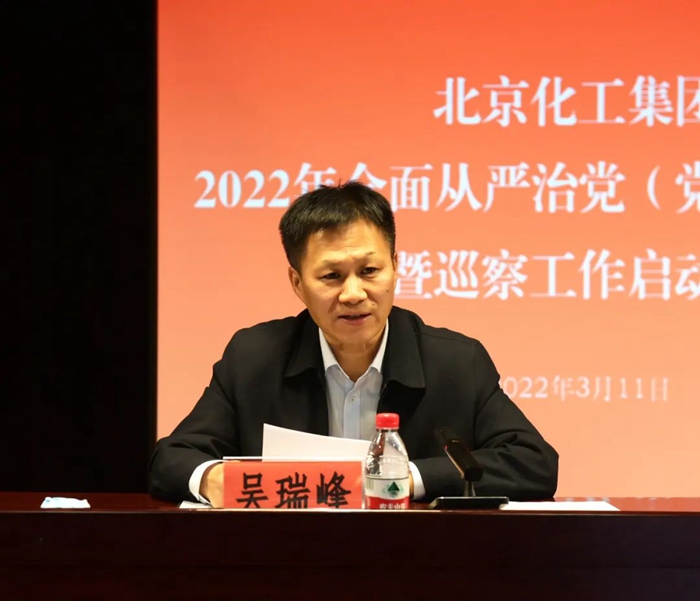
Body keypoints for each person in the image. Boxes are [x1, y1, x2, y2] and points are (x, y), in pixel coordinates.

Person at [149, 181, 558, 506]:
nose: (353, 294)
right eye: (331, 277)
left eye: (369, 271)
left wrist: (405, 479)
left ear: (395, 267)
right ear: (297, 283)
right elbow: (172, 458)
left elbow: (534, 463)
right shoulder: (254, 358)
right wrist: (215, 479)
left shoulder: (455, 361)